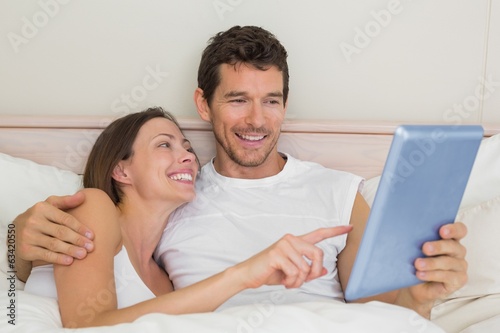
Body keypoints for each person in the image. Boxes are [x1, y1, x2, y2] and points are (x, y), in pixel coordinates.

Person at [14, 26, 467, 320]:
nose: (256, 120)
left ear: (285, 105)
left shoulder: (340, 191)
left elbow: (379, 311)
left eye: (270, 100)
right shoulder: (176, 200)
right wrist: (15, 241)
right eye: (237, 100)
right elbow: (93, 282)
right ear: (202, 104)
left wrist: (420, 299)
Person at [21, 107, 352, 328]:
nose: (187, 157)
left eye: (188, 148)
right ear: (121, 169)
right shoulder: (94, 206)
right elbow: (87, 327)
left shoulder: (166, 280)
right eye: (165, 145)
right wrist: (243, 274)